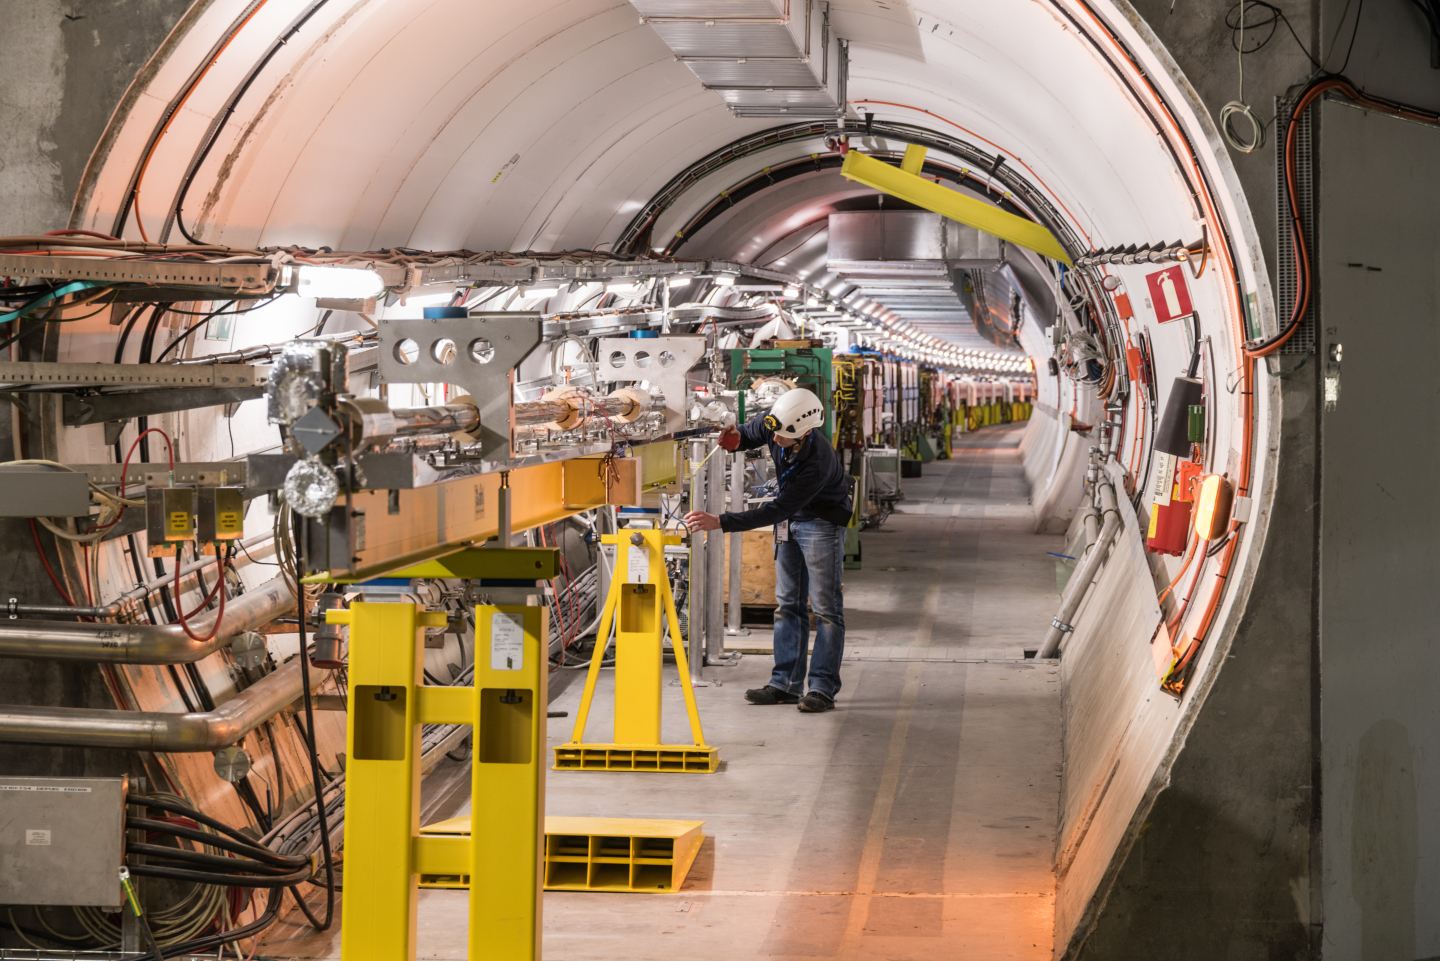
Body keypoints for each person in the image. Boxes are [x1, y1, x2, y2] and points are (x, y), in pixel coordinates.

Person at [683, 387, 853, 713]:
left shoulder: (817, 462)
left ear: (804, 433)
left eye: (783, 437)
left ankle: (822, 689)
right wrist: (738, 439)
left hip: (820, 524)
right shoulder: (778, 423)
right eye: (773, 432)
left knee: (826, 609)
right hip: (791, 523)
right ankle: (785, 684)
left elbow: (775, 510)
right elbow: (750, 433)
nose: (774, 440)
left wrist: (721, 521)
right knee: (787, 604)